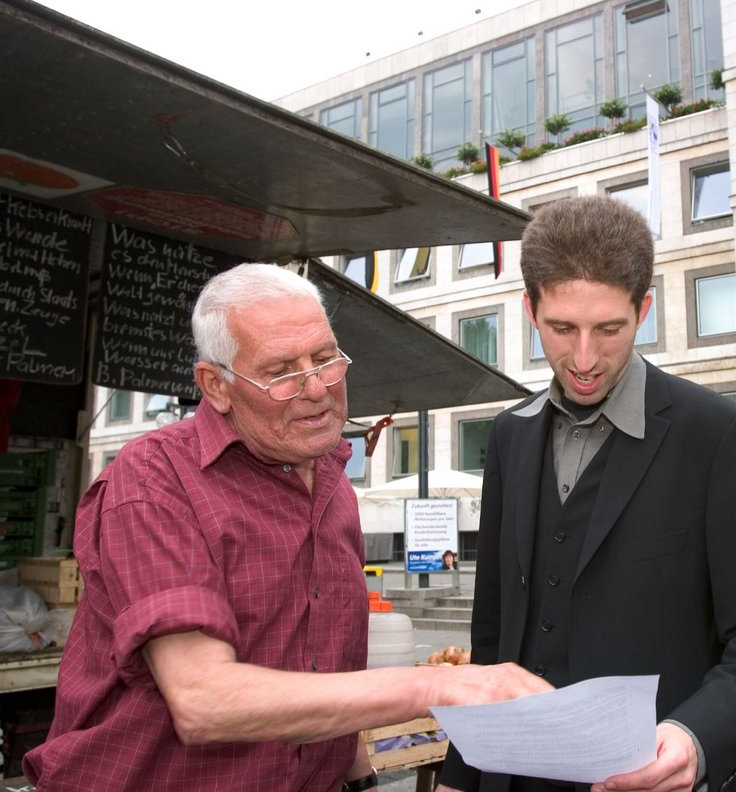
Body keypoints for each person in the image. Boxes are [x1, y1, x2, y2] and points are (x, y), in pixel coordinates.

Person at [25, 263, 551, 791]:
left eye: (326, 360)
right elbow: (204, 700)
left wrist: (394, 757)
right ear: (217, 386)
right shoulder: (154, 479)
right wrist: (437, 688)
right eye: (281, 372)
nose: (318, 388)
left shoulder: (330, 481)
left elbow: (318, 683)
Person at [437, 196, 736, 792]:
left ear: (645, 309)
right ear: (530, 311)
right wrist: (460, 773)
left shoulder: (717, 435)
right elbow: (493, 636)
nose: (584, 358)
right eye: (562, 328)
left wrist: (694, 738)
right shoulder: (510, 433)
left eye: (609, 329)